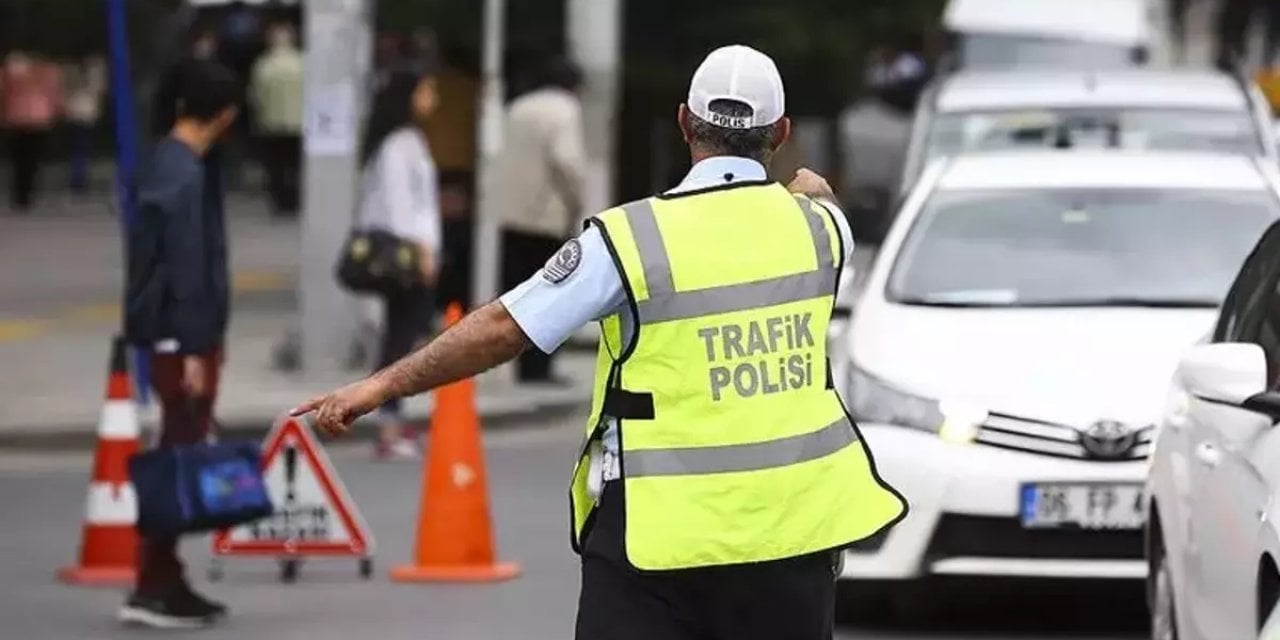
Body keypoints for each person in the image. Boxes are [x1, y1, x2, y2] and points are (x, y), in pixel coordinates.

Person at [293, 45, 908, 640]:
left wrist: (380, 385)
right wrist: (813, 192)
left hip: (657, 544)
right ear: (781, 133)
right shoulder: (824, 230)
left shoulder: (629, 240)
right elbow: (821, 205)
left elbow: (507, 328)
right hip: (793, 540)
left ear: (684, 124)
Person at [120, 60, 240, 629]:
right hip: (181, 340)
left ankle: (164, 577)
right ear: (223, 114)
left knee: (180, 452)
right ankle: (153, 582)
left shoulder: (169, 163)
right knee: (178, 457)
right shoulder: (184, 174)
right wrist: (193, 348)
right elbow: (184, 268)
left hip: (176, 336)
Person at [354, 69, 443, 460]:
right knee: (399, 340)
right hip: (405, 256)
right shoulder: (398, 144)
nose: (433, 97)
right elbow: (399, 205)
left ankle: (392, 419)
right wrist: (421, 252)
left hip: (413, 252)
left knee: (402, 336)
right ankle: (388, 424)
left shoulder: (408, 140)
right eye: (427, 89)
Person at [494, 56, 587, 385]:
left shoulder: (516, 108)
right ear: (575, 86)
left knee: (518, 294)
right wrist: (577, 202)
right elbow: (567, 160)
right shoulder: (565, 111)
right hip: (546, 217)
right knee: (552, 295)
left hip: (509, 214)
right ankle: (540, 369)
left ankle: (521, 366)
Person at [249, 22, 304, 216]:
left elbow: (256, 96)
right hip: (299, 123)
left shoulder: (264, 65)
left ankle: (280, 202)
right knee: (296, 165)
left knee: (276, 166)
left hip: (272, 123)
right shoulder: (302, 63)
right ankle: (296, 200)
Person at [1, 50, 62, 211]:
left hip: (17, 120)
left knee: (19, 160)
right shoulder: (48, 73)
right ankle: (26, 194)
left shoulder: (10, 73)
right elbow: (54, 95)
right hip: (37, 120)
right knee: (31, 160)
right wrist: (55, 112)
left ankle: (21, 195)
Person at [62, 51, 107, 194]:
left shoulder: (69, 70)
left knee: (78, 147)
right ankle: (80, 180)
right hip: (87, 112)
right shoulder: (95, 70)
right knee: (83, 148)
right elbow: (101, 89)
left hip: (73, 111)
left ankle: (78, 179)